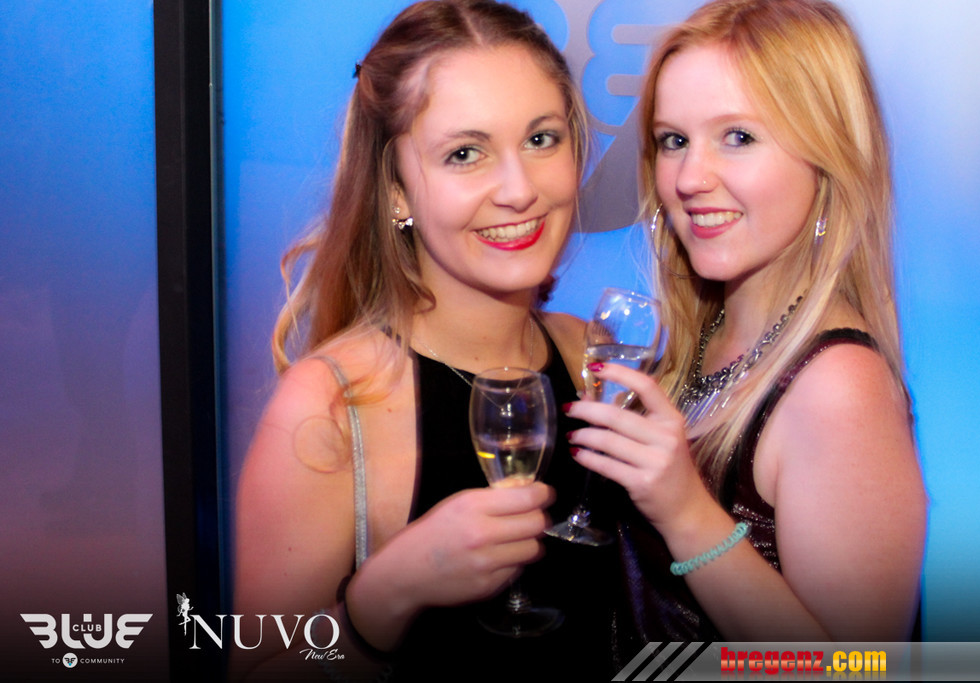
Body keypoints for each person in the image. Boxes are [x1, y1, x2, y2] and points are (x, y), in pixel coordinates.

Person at [232, 1, 616, 680]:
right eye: (465, 153)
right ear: (396, 192)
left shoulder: (595, 358)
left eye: (541, 139)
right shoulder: (332, 406)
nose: (519, 189)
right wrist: (387, 594)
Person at [564, 0, 927, 651]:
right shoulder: (700, 341)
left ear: (828, 156)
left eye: (737, 137)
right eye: (674, 140)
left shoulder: (839, 388)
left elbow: (860, 666)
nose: (689, 178)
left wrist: (687, 514)